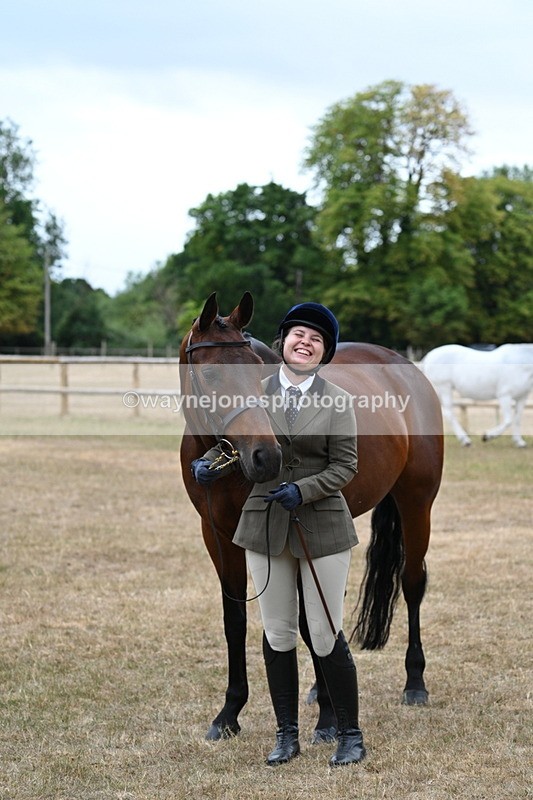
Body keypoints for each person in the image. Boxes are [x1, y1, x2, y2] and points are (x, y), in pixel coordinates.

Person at [191, 302, 366, 768]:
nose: (304, 342)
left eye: (316, 338)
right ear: (283, 341)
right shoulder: (255, 390)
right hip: (266, 526)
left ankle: (349, 732)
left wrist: (302, 489)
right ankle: (286, 734)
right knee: (279, 632)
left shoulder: (338, 400)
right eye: (297, 334)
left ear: (324, 351)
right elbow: (235, 443)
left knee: (325, 632)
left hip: (321, 523)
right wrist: (210, 465)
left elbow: (346, 466)